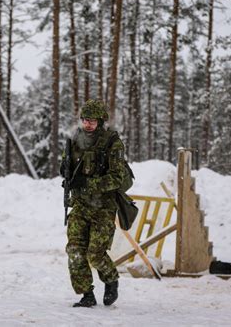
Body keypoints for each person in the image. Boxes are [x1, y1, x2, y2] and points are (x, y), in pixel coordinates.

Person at [62, 99, 133, 307]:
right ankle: (86, 294)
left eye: (92, 121)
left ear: (100, 121)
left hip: (103, 207)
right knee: (75, 250)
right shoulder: (75, 140)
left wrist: (88, 183)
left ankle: (111, 279)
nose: (87, 124)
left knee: (95, 254)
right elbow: (66, 164)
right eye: (84, 120)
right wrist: (66, 173)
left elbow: (117, 178)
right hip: (81, 205)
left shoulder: (112, 143)